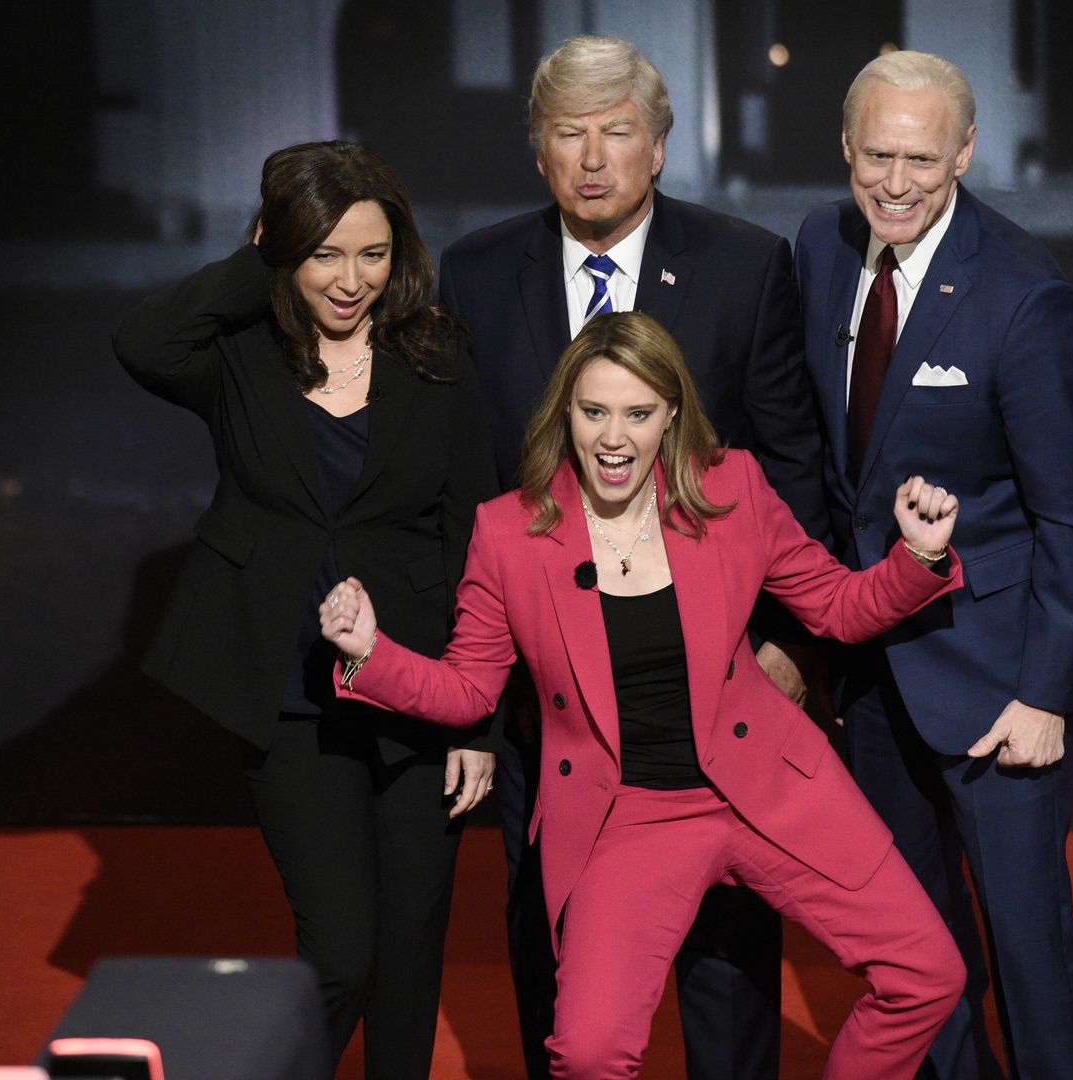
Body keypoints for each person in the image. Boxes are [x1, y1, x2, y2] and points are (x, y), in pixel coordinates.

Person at [319, 311, 966, 1079]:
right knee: (588, 1055)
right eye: (594, 412)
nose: (613, 437)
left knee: (928, 973)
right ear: (567, 414)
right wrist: (371, 655)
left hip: (767, 789)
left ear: (672, 416)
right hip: (627, 819)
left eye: (637, 413)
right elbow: (467, 691)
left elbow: (836, 606)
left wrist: (917, 558)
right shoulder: (508, 533)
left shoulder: (733, 490)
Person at [435, 34, 827, 1078]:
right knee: (554, 956)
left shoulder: (745, 266)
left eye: (618, 132)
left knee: (725, 956)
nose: (594, 156)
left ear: (660, 146)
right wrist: (474, 707)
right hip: (545, 697)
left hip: (711, 685)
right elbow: (465, 495)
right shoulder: (476, 274)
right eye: (570, 134)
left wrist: (789, 645)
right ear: (539, 152)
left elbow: (791, 463)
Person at [112, 140, 498, 1079]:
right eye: (324, 253)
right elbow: (142, 342)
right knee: (343, 955)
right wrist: (257, 262)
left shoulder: (436, 352)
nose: (351, 279)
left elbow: (471, 536)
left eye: (371, 253)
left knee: (409, 960)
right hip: (288, 696)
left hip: (417, 688)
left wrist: (475, 713)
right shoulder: (239, 357)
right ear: (283, 252)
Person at [793, 51, 1073, 1080]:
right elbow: (818, 455)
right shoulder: (816, 246)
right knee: (921, 954)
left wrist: (1047, 694)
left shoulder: (1025, 295)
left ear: (967, 152)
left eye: (922, 160)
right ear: (847, 148)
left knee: (1028, 949)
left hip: (996, 686)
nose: (896, 183)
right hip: (872, 671)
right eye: (877, 157)